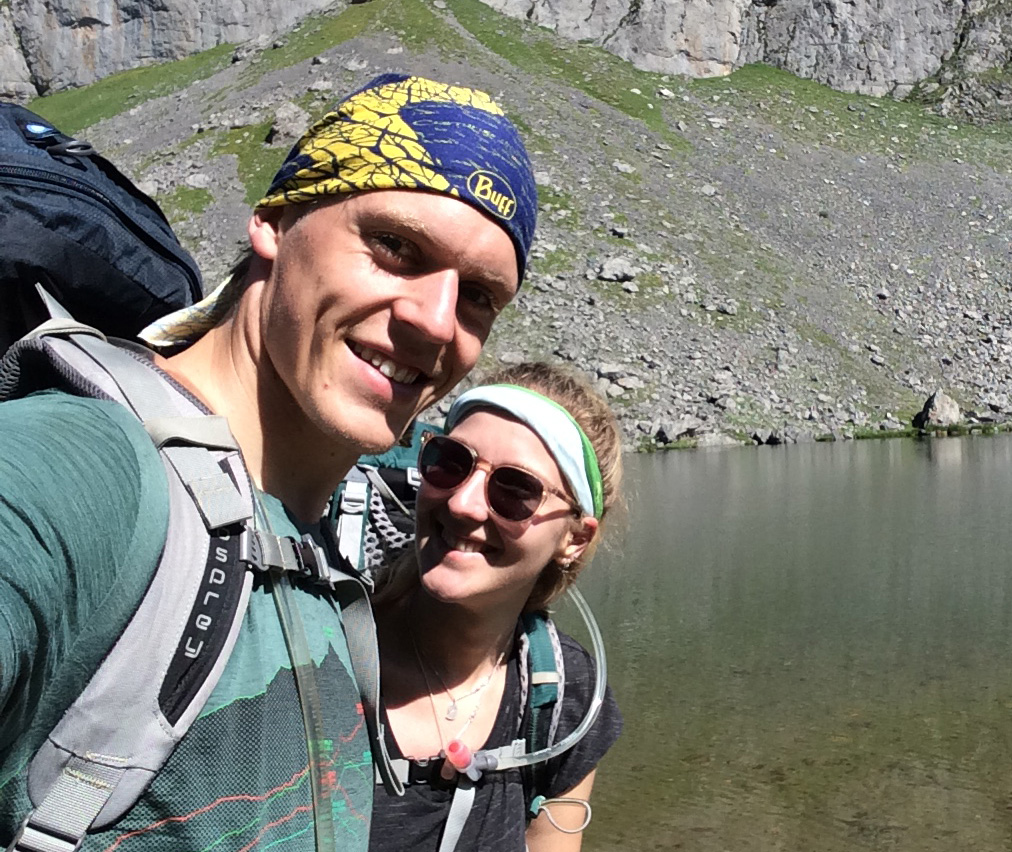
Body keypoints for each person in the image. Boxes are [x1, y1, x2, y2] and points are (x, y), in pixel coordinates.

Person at [0, 73, 537, 851]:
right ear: (274, 222)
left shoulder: (309, 548)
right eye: (394, 245)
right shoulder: (80, 474)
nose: (436, 321)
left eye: (481, 295)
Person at [371, 362, 624, 852]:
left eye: (514, 490)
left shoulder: (564, 699)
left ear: (573, 538)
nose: (463, 503)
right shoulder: (315, 650)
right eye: (450, 461)